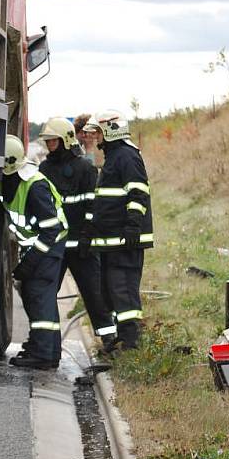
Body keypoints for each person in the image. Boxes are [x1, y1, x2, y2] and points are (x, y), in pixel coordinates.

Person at [38, 118, 116, 347]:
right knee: (46, 294)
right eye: (48, 141)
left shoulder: (85, 168)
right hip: (56, 244)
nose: (49, 145)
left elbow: (93, 205)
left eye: (53, 140)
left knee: (94, 295)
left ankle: (109, 339)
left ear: (65, 140)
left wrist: (87, 235)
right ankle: (46, 344)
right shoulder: (44, 169)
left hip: (82, 245)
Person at [82, 110, 154, 352]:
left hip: (125, 239)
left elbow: (138, 192)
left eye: (99, 132)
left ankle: (130, 341)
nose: (96, 137)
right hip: (112, 240)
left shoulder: (127, 156)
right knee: (111, 291)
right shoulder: (114, 156)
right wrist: (91, 228)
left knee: (123, 290)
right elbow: (105, 199)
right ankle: (121, 337)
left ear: (112, 131)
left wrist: (133, 224)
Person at [0, 135, 68, 369]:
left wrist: (29, 264)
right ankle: (46, 349)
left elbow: (51, 230)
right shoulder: (11, 180)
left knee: (39, 295)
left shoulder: (34, 185)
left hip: (48, 245)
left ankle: (43, 354)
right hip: (37, 246)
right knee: (36, 296)